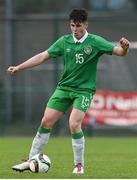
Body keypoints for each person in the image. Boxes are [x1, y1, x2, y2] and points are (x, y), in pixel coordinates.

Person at [7, 8, 130, 174]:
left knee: (74, 124)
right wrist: (19, 67)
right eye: (72, 25)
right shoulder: (64, 41)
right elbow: (43, 56)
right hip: (64, 88)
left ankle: (79, 165)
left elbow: (119, 52)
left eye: (79, 26)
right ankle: (30, 161)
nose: (75, 29)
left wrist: (125, 48)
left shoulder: (95, 41)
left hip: (84, 91)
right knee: (46, 122)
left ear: (86, 24)